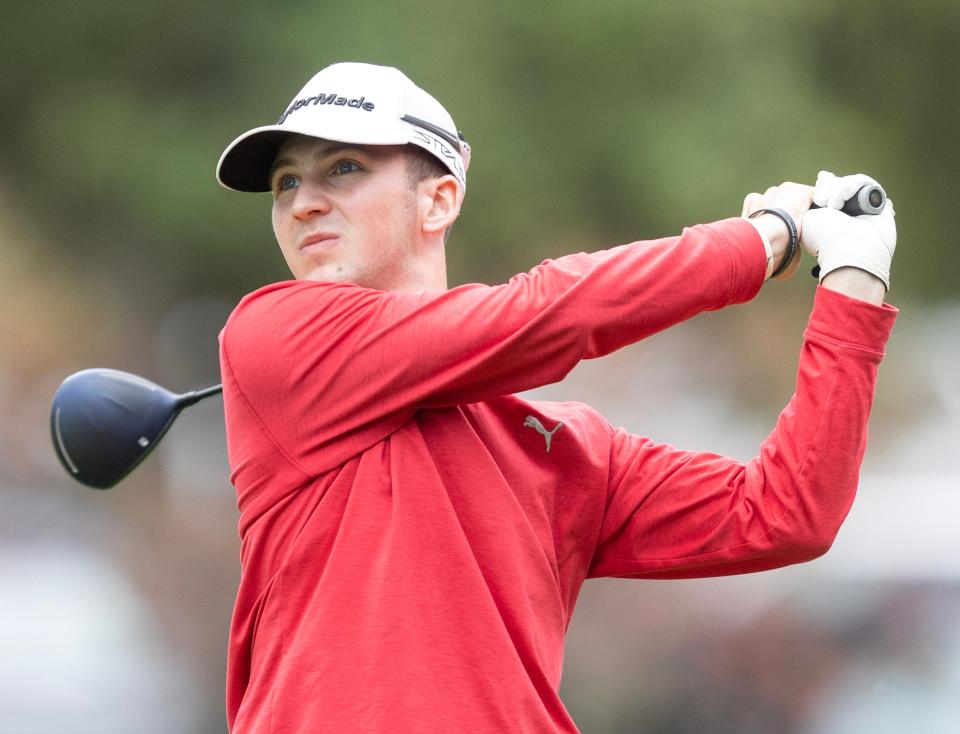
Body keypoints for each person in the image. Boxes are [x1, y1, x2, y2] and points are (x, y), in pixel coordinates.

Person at [214, 62, 898, 733]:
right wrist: (762, 239)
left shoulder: (563, 449)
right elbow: (547, 316)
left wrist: (853, 283)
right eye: (284, 182)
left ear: (440, 199)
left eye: (343, 169)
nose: (301, 202)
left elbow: (787, 513)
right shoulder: (273, 333)